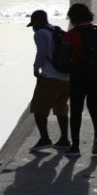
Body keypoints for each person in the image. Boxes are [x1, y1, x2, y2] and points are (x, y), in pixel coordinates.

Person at [58, 3, 97, 157]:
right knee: (95, 105)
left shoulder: (71, 35)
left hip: (79, 76)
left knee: (76, 110)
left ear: (73, 17)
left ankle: (75, 147)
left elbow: (62, 62)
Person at [26, 10, 70, 151]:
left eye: (34, 24)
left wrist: (35, 68)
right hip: (67, 78)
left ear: (37, 22)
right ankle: (64, 140)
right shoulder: (56, 30)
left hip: (50, 78)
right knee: (61, 108)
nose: (33, 27)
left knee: (39, 109)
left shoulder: (40, 34)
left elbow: (41, 52)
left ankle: (45, 139)